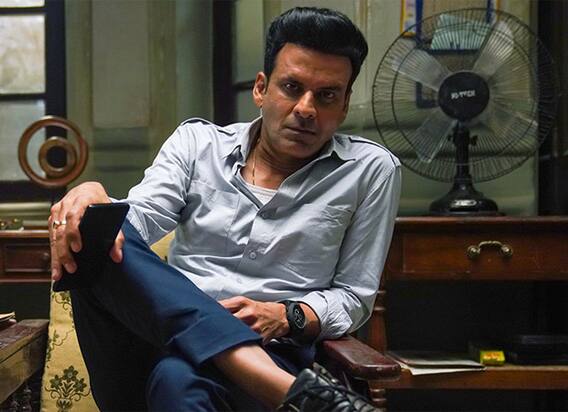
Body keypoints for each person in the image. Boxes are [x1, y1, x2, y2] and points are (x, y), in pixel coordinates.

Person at [49, 6, 401, 412]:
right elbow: (138, 220)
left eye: (326, 96)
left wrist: (287, 315)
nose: (306, 109)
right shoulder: (196, 144)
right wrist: (90, 193)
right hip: (152, 347)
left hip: (276, 352)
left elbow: (353, 296)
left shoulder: (369, 170)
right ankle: (292, 393)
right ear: (261, 89)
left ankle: (258, 371)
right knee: (96, 230)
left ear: (344, 104)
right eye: (292, 87)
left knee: (178, 379)